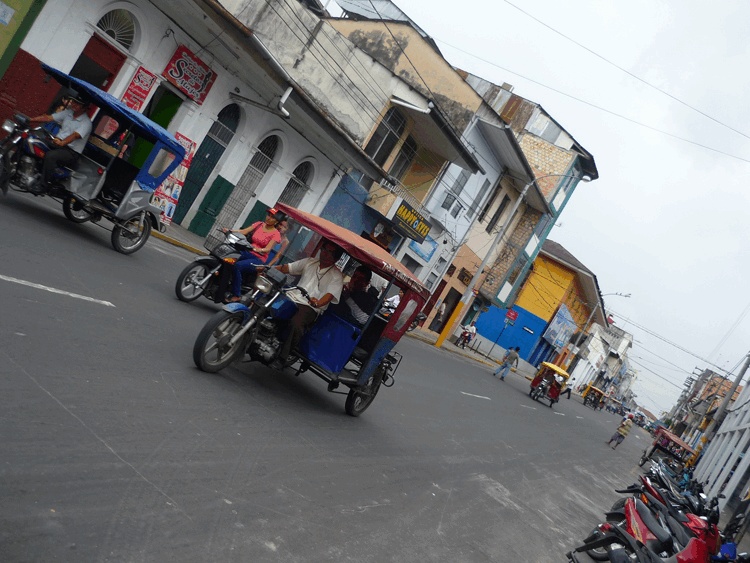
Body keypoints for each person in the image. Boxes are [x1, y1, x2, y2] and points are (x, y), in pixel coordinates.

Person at [268, 240, 345, 370]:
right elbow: (288, 268)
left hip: (310, 306)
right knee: (268, 302)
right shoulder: (310, 262)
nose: (325, 254)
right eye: (324, 249)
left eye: (330, 252)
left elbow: (329, 296)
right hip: (292, 296)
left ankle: (282, 357)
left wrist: (318, 302)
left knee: (296, 323)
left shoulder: (336, 276)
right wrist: (268, 270)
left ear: (336, 258)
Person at [29, 91, 92, 193]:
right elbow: (49, 118)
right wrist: (30, 120)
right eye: (74, 102)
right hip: (57, 143)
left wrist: (62, 142)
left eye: (78, 104)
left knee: (51, 156)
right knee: (34, 141)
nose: (74, 104)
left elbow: (75, 135)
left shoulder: (86, 123)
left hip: (70, 152)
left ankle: (42, 186)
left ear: (84, 107)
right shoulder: (68, 113)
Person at [222, 208, 284, 302]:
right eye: (268, 215)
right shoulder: (259, 224)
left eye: (272, 218)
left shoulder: (276, 234)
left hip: (258, 258)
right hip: (247, 251)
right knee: (228, 256)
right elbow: (244, 232)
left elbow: (268, 248)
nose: (268, 218)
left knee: (238, 266)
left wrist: (258, 249)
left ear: (276, 222)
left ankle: (236, 294)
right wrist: (230, 231)